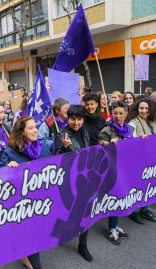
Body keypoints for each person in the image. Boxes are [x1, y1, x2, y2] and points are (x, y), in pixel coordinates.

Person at [0, 116, 50, 269]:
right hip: (22, 202)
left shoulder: (44, 147)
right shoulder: (10, 151)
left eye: (35, 127)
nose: (35, 130)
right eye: (30, 128)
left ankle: (25, 253)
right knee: (30, 234)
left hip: (41, 199)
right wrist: (7, 167)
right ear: (21, 132)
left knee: (38, 232)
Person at [55, 105, 93, 261]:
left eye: (79, 119)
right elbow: (55, 157)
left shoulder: (84, 131)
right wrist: (64, 148)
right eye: (72, 119)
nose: (75, 122)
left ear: (83, 120)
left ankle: (82, 245)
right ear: (67, 118)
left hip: (85, 177)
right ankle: (62, 232)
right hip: (69, 179)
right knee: (67, 209)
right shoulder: (62, 134)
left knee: (85, 210)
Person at [99, 101, 132, 245]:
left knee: (122, 196)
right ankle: (111, 228)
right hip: (112, 170)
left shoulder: (129, 128)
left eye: (121, 113)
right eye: (115, 113)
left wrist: (141, 139)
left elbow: (134, 145)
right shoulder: (106, 130)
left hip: (126, 168)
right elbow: (101, 152)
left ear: (126, 114)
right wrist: (108, 145)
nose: (118, 116)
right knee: (115, 196)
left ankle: (115, 224)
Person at [127, 98, 156, 224]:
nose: (144, 111)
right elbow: (129, 141)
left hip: (151, 159)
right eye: (141, 108)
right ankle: (133, 212)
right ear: (137, 109)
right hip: (138, 160)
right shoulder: (133, 123)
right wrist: (139, 139)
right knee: (137, 187)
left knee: (149, 185)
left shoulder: (153, 123)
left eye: (146, 108)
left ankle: (144, 209)